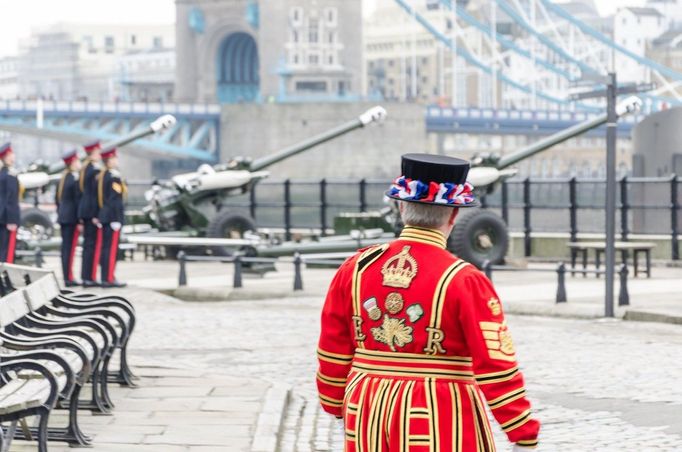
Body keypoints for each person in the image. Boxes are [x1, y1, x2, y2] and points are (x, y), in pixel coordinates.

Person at [316, 154, 540, 451]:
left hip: (368, 407)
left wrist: (334, 402)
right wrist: (522, 432)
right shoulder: (464, 280)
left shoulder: (356, 268)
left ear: (401, 207)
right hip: (440, 411)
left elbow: (333, 347)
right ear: (453, 216)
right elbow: (496, 365)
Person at [97, 147, 126, 288]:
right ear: (108, 161)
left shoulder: (103, 175)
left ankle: (106, 276)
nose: (116, 160)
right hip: (112, 217)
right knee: (111, 249)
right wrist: (116, 218)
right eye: (114, 158)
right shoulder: (113, 176)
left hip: (105, 216)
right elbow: (114, 199)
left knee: (106, 248)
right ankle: (108, 277)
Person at [56, 149, 82, 286]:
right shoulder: (74, 178)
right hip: (72, 218)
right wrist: (80, 219)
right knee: (70, 249)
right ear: (72, 162)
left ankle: (66, 275)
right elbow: (77, 201)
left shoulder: (63, 177)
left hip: (63, 217)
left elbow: (57, 199)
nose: (79, 163)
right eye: (77, 160)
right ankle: (69, 277)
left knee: (65, 248)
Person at [78, 140, 103, 287]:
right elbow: (95, 194)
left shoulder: (85, 167)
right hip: (91, 211)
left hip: (85, 209)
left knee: (88, 245)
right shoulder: (94, 169)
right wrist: (96, 214)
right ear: (93, 153)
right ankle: (89, 277)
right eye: (98, 152)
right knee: (91, 246)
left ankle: (86, 276)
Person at [0, 142, 22, 263]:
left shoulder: (2, 173)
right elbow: (11, 199)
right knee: (7, 252)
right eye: (11, 153)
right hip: (8, 219)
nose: (13, 155)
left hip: (2, 217)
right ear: (7, 156)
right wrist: (12, 220)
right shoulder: (10, 175)